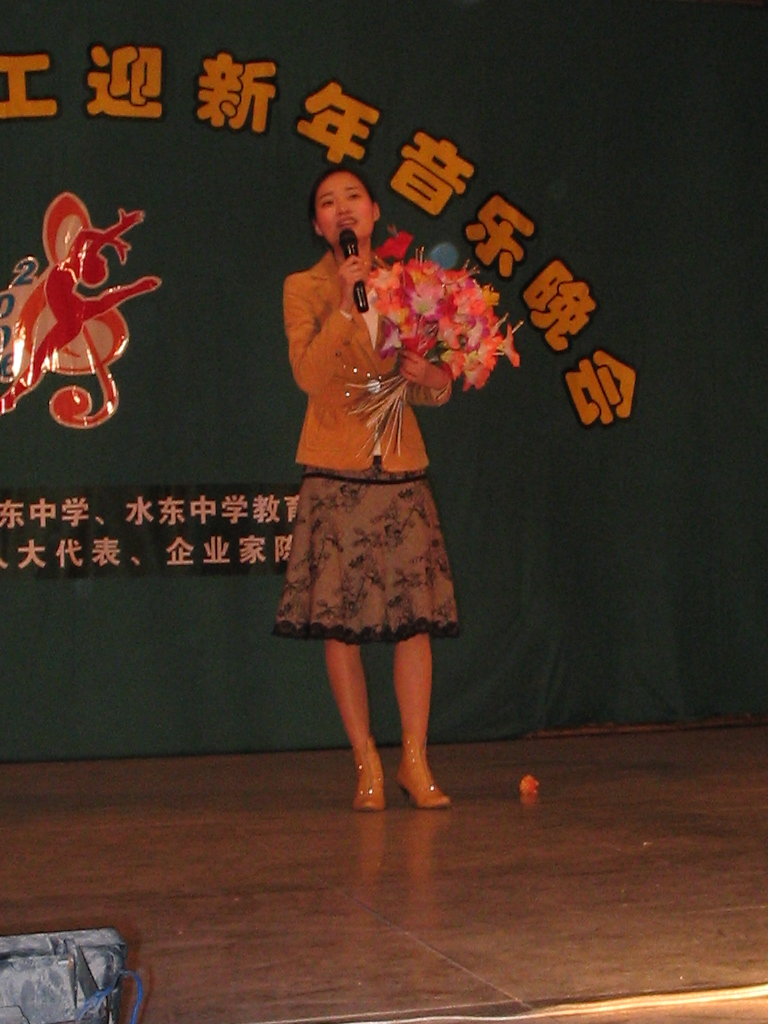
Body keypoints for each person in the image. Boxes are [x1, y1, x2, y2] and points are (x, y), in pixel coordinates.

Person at [274, 166, 459, 811]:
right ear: (318, 225)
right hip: (336, 467)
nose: (343, 208)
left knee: (415, 623)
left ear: (375, 211)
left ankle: (414, 760)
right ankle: (367, 765)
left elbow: (427, 387)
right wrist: (348, 306)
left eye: (353, 197)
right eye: (328, 202)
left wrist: (433, 376)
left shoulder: (408, 283)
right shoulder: (303, 288)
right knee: (340, 626)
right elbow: (307, 374)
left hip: (400, 465)